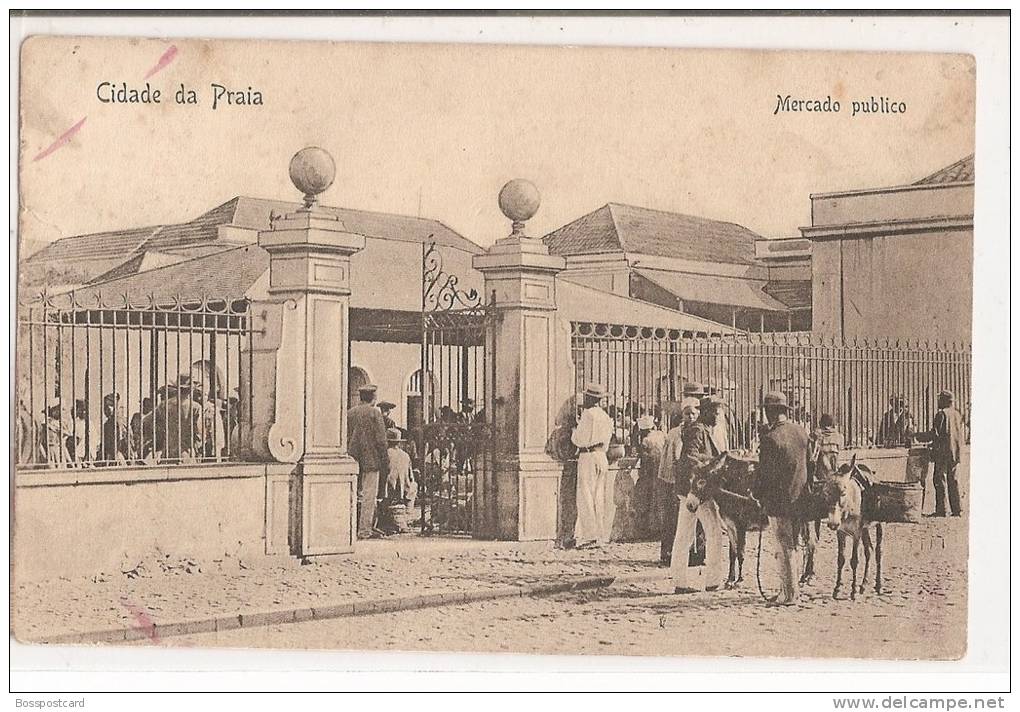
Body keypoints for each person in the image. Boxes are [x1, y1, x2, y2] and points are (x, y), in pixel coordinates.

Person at [753, 391, 809, 607]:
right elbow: (808, 465)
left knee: (783, 546)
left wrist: (757, 495)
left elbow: (764, 475)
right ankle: (792, 590)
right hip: (800, 497)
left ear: (769, 413)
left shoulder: (770, 439)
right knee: (793, 544)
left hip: (778, 501)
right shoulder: (801, 432)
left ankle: (789, 594)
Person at [669, 393, 727, 594]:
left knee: (684, 535)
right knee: (714, 532)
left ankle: (680, 582)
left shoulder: (702, 429)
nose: (719, 415)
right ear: (707, 412)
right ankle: (712, 581)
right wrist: (713, 464)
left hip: (688, 490)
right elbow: (690, 458)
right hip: (697, 490)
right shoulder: (698, 430)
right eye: (716, 412)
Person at [571, 382, 614, 548]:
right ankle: (600, 534)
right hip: (601, 455)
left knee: (586, 496)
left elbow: (579, 439)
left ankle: (589, 535)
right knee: (599, 496)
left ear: (590, 398)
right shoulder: (605, 416)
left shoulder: (588, 414)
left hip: (588, 456)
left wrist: (574, 431)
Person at [656, 398, 698, 565]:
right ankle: (668, 554)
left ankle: (684, 555)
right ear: (682, 415)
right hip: (673, 480)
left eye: (693, 414)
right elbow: (673, 458)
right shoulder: (677, 433)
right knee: (673, 519)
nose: (691, 417)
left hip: (680, 480)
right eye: (688, 414)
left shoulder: (691, 431)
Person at [347, 383, 390, 539]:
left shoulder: (350, 413)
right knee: (368, 497)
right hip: (371, 461)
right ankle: (364, 530)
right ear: (373, 398)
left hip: (352, 459)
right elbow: (381, 440)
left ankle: (348, 527)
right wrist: (385, 460)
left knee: (351, 494)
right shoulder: (375, 414)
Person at [914, 390, 966, 517]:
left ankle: (941, 510)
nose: (937, 402)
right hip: (955, 452)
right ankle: (957, 509)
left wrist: (917, 435)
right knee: (953, 480)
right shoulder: (957, 414)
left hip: (943, 453)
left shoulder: (941, 414)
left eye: (939, 399)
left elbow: (934, 434)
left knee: (939, 479)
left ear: (944, 401)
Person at [382, 428, 417, 533]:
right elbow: (410, 476)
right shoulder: (405, 455)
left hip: (387, 489)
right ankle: (408, 513)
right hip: (403, 489)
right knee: (414, 486)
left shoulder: (385, 454)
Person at [808, 413, 844, 483]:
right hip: (834, 471)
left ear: (821, 423)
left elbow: (811, 453)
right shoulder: (838, 436)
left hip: (819, 472)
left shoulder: (815, 435)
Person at [96, 393, 130, 464]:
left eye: (107, 407)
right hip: (114, 455)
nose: (105, 410)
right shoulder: (109, 423)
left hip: (117, 456)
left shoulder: (117, 422)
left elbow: (120, 441)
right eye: (104, 407)